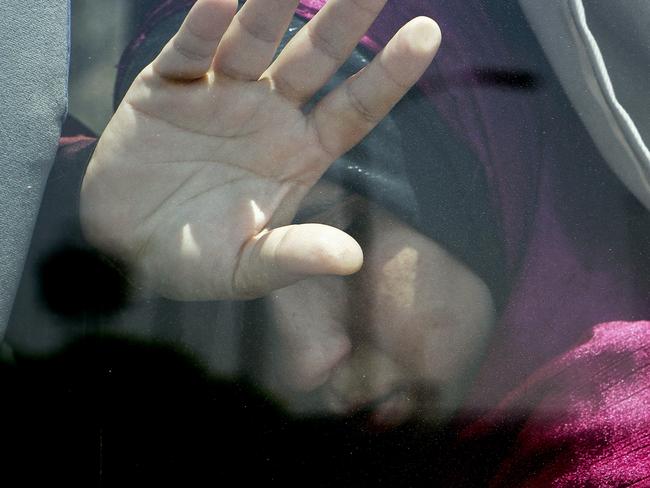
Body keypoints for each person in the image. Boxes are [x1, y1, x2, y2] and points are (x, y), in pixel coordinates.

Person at [5, 0, 650, 485]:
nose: (302, 363)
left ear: (486, 170)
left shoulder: (615, 436)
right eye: (241, 299)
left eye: (342, 233)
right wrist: (80, 221)